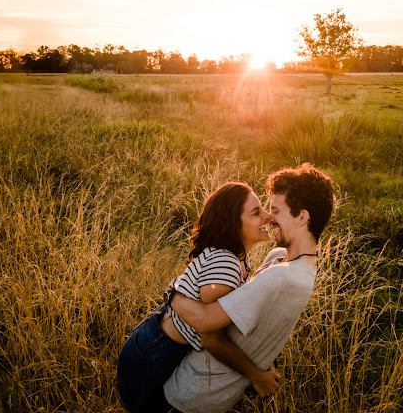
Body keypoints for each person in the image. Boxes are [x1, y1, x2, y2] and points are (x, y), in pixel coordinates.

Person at [164, 163, 335, 413]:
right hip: (196, 385)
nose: (269, 217)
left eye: (276, 210)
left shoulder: (282, 277)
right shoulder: (283, 259)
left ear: (302, 217)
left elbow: (206, 323)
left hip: (192, 395)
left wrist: (173, 292)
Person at [116, 182, 279, 413]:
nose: (267, 216)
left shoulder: (239, 259)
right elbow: (212, 339)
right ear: (234, 224)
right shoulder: (226, 263)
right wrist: (256, 375)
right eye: (256, 212)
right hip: (154, 354)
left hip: (160, 344)